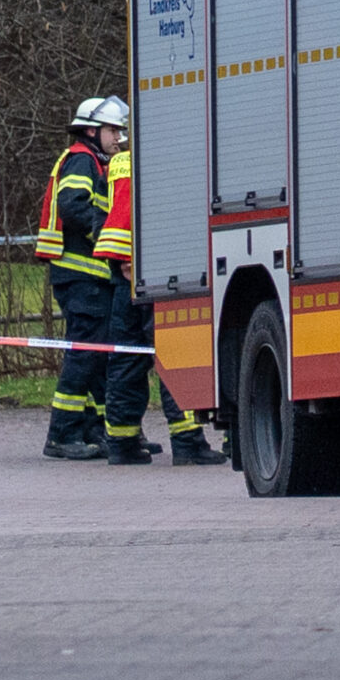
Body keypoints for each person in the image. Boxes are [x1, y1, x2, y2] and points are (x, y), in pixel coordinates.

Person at [94, 140, 226, 466]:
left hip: (122, 267)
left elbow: (109, 214)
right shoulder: (167, 153)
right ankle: (187, 442)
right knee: (171, 353)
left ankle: (122, 443)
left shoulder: (118, 162)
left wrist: (124, 260)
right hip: (155, 267)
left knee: (127, 356)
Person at [34, 97, 123, 460]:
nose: (119, 138)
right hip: (80, 277)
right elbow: (72, 206)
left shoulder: (94, 162)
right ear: (91, 130)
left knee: (98, 356)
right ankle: (62, 434)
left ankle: (94, 429)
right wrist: (105, 234)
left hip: (89, 279)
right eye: (114, 130)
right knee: (84, 355)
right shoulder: (82, 160)